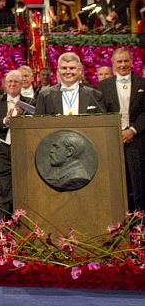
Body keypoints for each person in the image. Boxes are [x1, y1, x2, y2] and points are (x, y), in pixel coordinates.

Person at [98, 48, 145, 210]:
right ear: (113, 64)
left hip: (138, 140)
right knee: (115, 182)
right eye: (119, 61)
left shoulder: (142, 83)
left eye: (126, 61)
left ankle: (140, 226)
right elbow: (101, 111)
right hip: (113, 140)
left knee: (139, 183)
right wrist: (115, 131)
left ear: (131, 62)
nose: (123, 64)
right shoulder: (103, 86)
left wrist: (132, 130)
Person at [0, 70, 33, 217]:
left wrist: (23, 116)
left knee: (24, 187)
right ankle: (4, 228)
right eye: (10, 82)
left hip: (25, 150)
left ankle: (24, 222)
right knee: (4, 187)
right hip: (3, 150)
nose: (12, 84)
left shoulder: (30, 102)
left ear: (22, 84)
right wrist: (5, 121)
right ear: (5, 84)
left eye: (16, 82)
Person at [35, 52, 105, 115]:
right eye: (64, 68)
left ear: (79, 71)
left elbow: (103, 122)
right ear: (58, 70)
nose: (68, 72)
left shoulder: (94, 95)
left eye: (72, 68)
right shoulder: (45, 95)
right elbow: (37, 124)